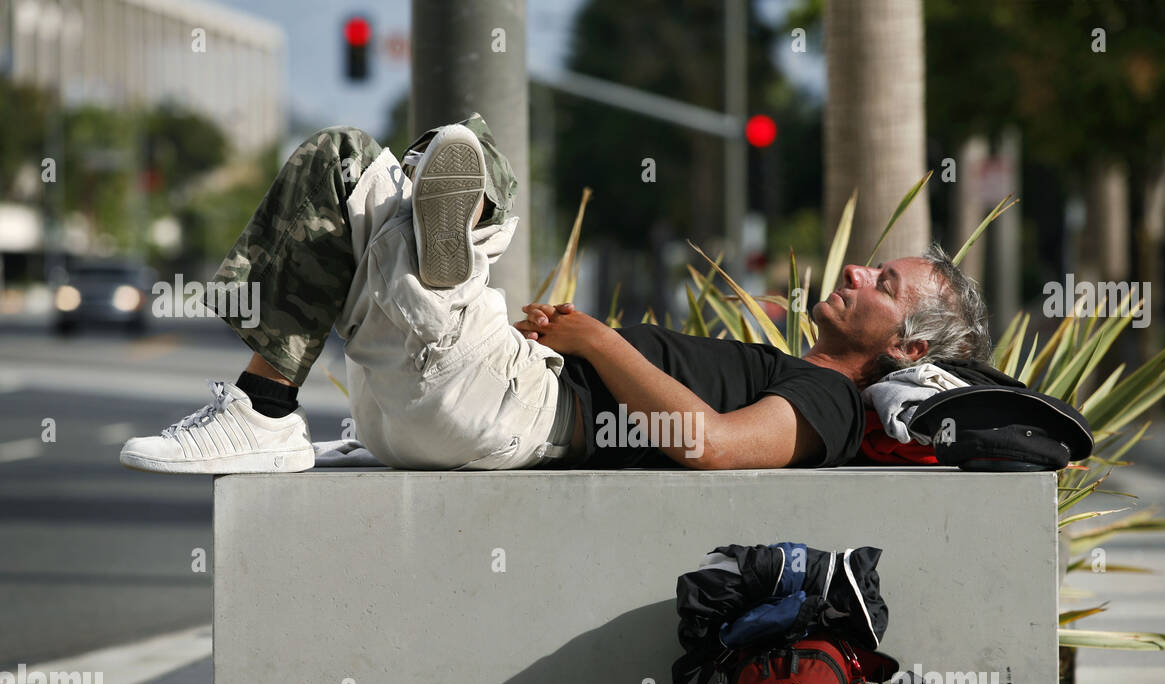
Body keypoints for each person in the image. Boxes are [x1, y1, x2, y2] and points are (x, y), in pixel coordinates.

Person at [119, 117, 991, 474]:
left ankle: (449, 245)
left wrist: (594, 340)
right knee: (344, 170)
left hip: (515, 404)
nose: (856, 271)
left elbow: (716, 446)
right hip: (432, 412)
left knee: (464, 152)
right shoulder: (791, 369)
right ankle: (274, 395)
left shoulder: (832, 403)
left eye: (884, 284)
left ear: (909, 349)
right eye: (871, 264)